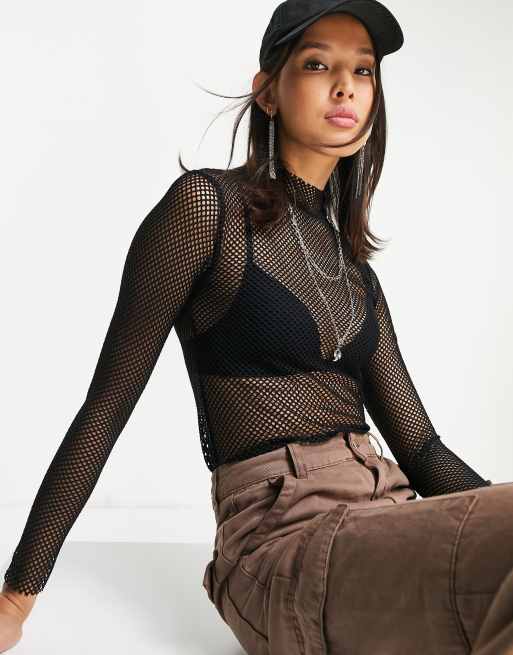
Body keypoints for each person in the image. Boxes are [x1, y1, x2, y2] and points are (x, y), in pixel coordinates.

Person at [1, 0, 511, 653]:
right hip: (280, 545)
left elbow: (423, 451)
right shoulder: (208, 211)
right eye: (317, 64)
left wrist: (485, 515)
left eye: (363, 70)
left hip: (387, 524)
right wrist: (15, 598)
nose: (345, 85)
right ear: (267, 91)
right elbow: (107, 407)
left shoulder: (354, 272)